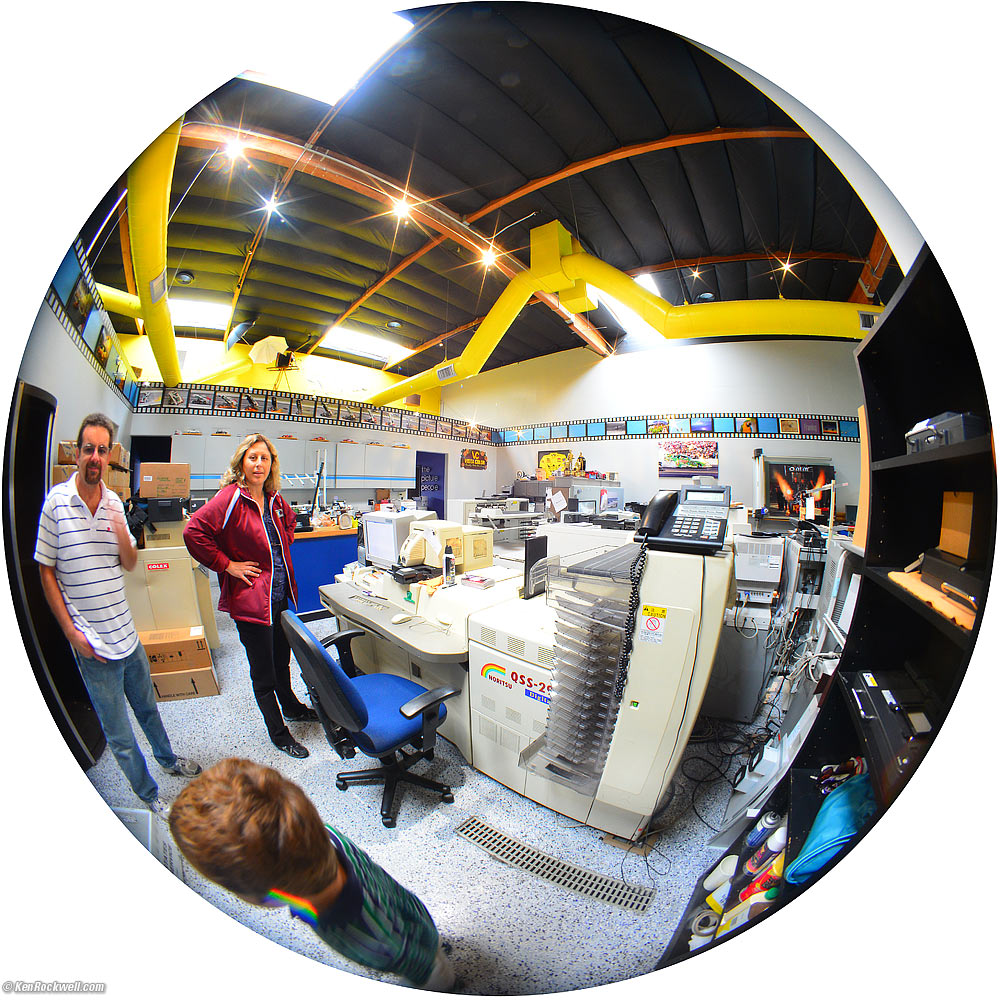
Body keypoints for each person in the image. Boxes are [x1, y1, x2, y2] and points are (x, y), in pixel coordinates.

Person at [34, 412, 202, 814]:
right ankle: (148, 795)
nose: (95, 456)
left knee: (148, 709)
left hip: (128, 636)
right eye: (88, 448)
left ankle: (167, 760)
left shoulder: (112, 501)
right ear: (77, 453)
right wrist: (72, 634)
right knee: (121, 734)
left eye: (102, 450)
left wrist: (120, 526)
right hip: (93, 648)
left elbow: (129, 561)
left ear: (109, 456)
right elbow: (46, 571)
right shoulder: (56, 504)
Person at [169, 758, 455, 991]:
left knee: (435, 976)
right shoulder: (319, 835)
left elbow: (419, 966)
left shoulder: (376, 944)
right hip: (406, 908)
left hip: (420, 956)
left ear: (262, 898)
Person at [183, 432, 316, 758]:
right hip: (252, 602)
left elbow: (288, 525)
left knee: (281, 658)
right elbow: (193, 533)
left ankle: (292, 708)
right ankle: (279, 733)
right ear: (242, 462)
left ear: (272, 465)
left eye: (265, 458)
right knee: (263, 671)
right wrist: (228, 565)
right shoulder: (230, 498)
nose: (259, 464)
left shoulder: (273, 497)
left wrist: (284, 537)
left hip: (280, 595)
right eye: (253, 457)